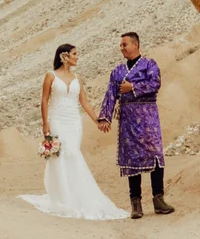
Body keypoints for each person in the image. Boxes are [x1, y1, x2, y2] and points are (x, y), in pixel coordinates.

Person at [18, 44, 129, 220]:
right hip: (57, 120)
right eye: (75, 54)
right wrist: (45, 123)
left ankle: (76, 194)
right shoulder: (50, 76)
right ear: (65, 57)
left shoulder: (77, 78)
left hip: (74, 122)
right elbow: (44, 100)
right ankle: (64, 197)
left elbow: (84, 102)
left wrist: (98, 120)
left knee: (73, 153)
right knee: (63, 154)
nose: (78, 57)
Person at [97, 31, 174, 219]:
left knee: (155, 154)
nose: (122, 48)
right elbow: (110, 94)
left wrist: (133, 87)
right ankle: (136, 204)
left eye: (125, 44)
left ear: (135, 45)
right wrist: (104, 117)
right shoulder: (117, 71)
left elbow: (155, 84)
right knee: (132, 159)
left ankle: (158, 200)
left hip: (148, 117)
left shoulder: (150, 65)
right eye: (120, 45)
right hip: (128, 119)